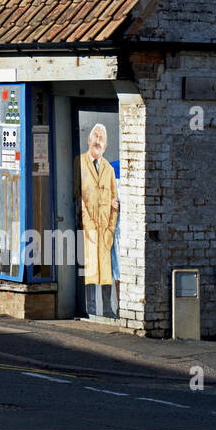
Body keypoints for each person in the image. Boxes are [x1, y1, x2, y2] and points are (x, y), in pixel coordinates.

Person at [75, 123, 119, 317]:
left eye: (102, 138)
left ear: (106, 145)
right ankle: (91, 308)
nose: (98, 141)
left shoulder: (109, 169)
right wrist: (89, 225)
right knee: (90, 270)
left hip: (105, 231)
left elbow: (114, 203)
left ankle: (108, 309)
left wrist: (110, 229)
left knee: (106, 273)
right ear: (88, 139)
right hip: (88, 229)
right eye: (95, 136)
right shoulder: (79, 162)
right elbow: (77, 196)